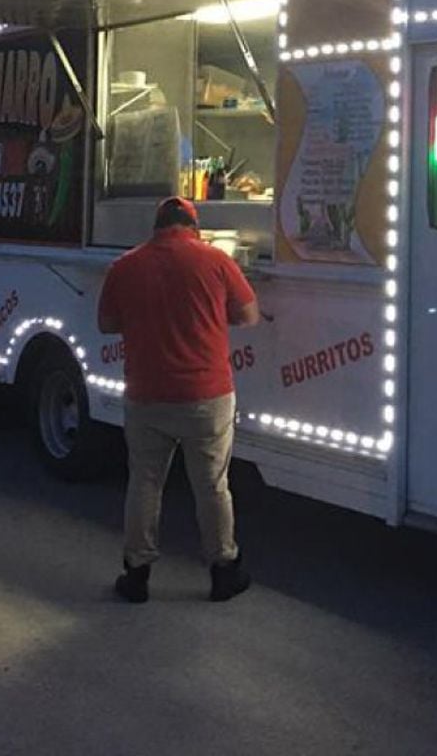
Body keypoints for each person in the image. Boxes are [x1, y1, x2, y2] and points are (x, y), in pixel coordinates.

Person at [98, 196, 260, 603]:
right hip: (206, 396)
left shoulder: (125, 266)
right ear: (194, 227)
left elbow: (106, 323)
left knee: (145, 482)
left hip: (146, 394)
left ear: (156, 228)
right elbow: (248, 315)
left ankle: (137, 574)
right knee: (212, 486)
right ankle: (224, 571)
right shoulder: (216, 261)